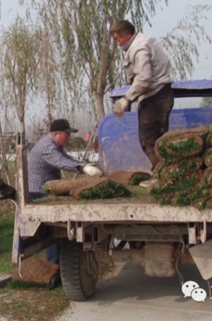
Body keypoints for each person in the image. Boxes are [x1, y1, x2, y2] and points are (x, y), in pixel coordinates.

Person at [28, 119, 103, 264]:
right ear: (56, 134)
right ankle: (54, 264)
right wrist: (84, 169)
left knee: (53, 229)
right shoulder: (47, 147)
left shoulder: (55, 145)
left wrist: (85, 164)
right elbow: (60, 162)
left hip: (46, 191)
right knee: (52, 229)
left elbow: (66, 158)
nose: (69, 137)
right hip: (38, 193)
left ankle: (58, 262)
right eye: (66, 134)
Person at [110, 20, 174, 188]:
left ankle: (161, 176)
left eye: (118, 39)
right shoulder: (142, 42)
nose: (118, 43)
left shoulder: (139, 48)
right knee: (156, 138)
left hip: (155, 96)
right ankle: (164, 175)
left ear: (127, 35)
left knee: (149, 139)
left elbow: (144, 79)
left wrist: (126, 99)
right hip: (159, 94)